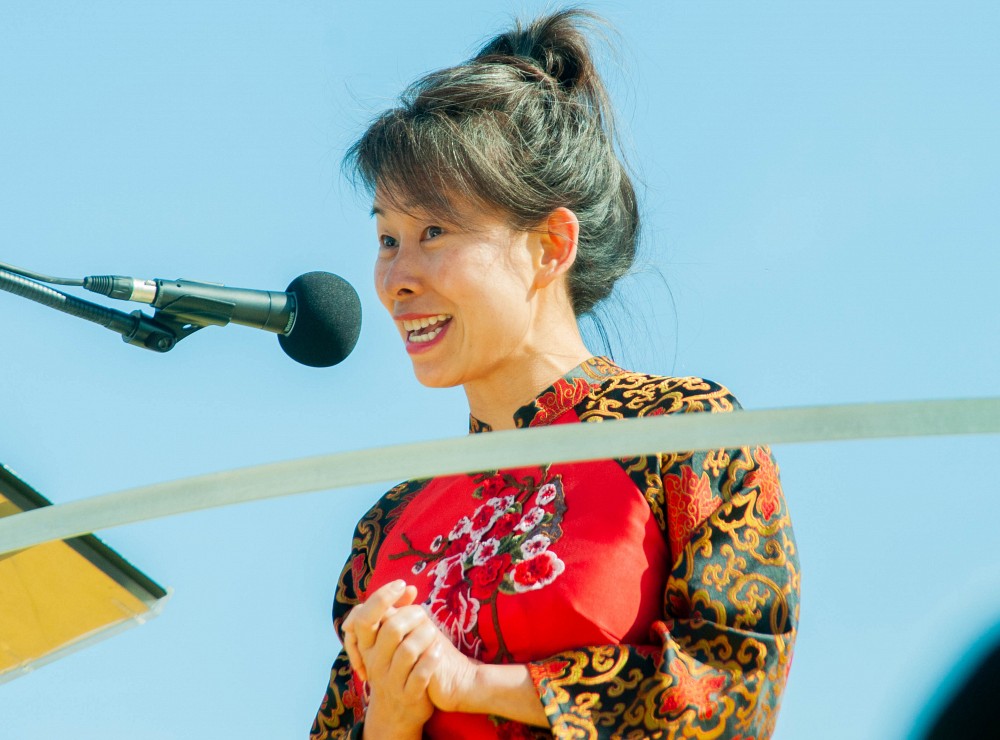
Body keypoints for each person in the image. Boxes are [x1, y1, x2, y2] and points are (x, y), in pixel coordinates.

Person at [311, 9, 799, 739]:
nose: (396, 278)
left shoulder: (682, 436)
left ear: (550, 245)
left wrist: (476, 685)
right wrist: (393, 717)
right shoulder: (385, 530)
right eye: (387, 238)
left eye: (434, 232)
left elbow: (730, 694)